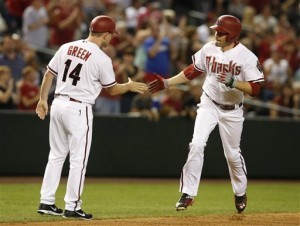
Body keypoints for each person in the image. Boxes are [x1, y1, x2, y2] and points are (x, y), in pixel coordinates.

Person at [148, 15, 265, 213]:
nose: (216, 34)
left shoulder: (247, 57)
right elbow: (192, 71)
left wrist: (234, 82)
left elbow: (255, 89)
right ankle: (188, 193)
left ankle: (240, 192)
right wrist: (167, 83)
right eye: (216, 31)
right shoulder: (209, 48)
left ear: (232, 34)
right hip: (209, 103)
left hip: (232, 110)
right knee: (196, 144)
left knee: (232, 155)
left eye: (221, 32)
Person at [35, 15, 147, 220]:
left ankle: (47, 201)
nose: (111, 38)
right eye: (111, 35)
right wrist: (129, 86)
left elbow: (48, 74)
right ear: (104, 34)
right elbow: (112, 90)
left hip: (58, 103)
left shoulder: (67, 47)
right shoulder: (102, 58)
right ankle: (72, 206)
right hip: (79, 109)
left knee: (56, 155)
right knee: (79, 160)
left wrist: (43, 100)